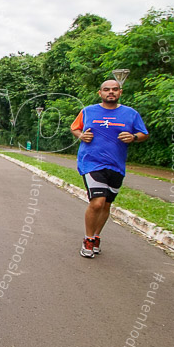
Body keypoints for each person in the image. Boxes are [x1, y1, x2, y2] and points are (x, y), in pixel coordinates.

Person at [70, 79, 148, 258]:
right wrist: (82, 135)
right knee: (97, 202)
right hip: (91, 162)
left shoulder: (130, 114)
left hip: (116, 164)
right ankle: (88, 239)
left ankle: (97, 236)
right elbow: (75, 128)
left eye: (114, 89)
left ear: (120, 92)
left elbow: (144, 133)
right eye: (106, 90)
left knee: (106, 204)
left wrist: (134, 137)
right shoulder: (88, 111)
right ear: (100, 93)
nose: (110, 92)